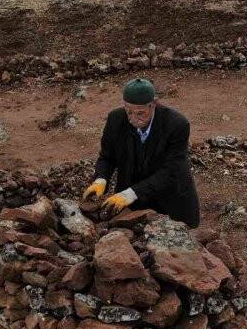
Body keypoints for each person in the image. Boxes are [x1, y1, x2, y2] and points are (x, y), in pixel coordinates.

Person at [82, 78, 200, 228]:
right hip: (135, 200)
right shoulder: (115, 119)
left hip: (170, 200)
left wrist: (130, 194)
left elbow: (171, 171)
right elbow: (107, 157)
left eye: (140, 113)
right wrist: (101, 179)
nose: (133, 119)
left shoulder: (176, 124)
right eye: (128, 111)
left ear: (153, 104)